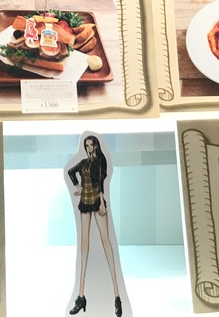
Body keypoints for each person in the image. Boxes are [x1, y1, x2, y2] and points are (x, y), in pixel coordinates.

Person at [65, 135, 122, 316]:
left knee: (106, 241)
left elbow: (100, 182)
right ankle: (81, 296)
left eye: (91, 144)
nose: (89, 147)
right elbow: (71, 172)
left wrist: (102, 202)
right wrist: (79, 189)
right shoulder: (84, 162)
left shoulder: (100, 160)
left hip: (97, 199)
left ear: (96, 145)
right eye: (87, 145)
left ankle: (117, 296)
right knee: (84, 242)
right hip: (85, 200)